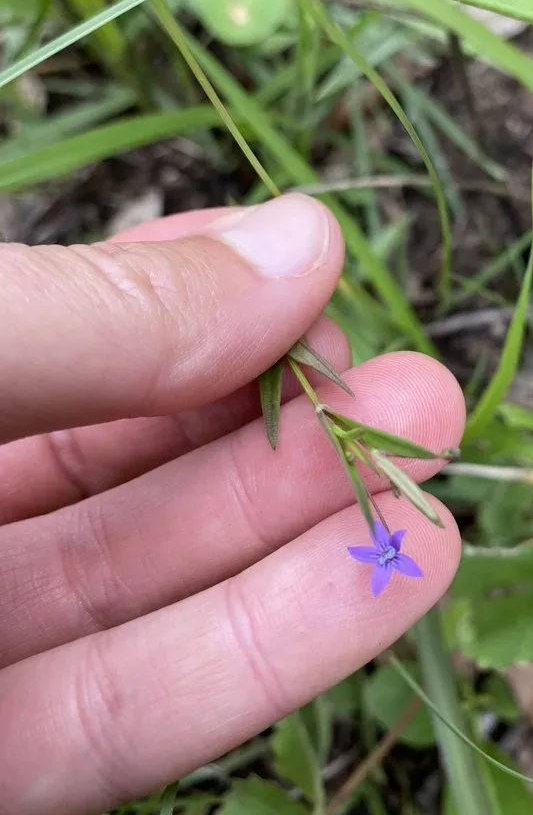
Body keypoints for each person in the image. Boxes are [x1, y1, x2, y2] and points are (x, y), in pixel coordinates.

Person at [0, 195, 465, 814]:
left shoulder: (384, 540)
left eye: (385, 553)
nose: (385, 551)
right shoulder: (372, 529)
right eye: (386, 552)